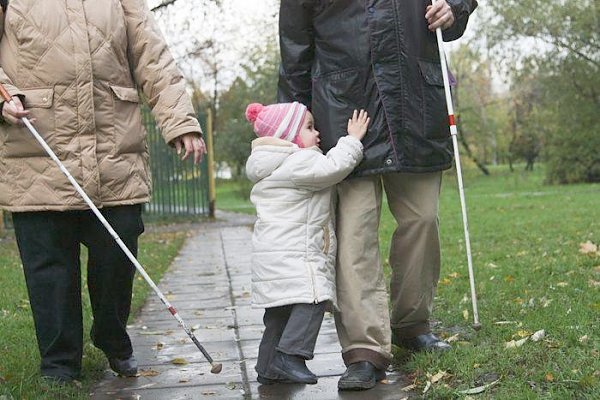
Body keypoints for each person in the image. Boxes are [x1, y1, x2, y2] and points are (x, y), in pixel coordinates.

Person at [0, 0, 205, 383]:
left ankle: (110, 333)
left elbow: (152, 55)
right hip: (38, 152)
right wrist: (3, 97)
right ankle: (60, 364)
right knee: (50, 267)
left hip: (113, 150)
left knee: (119, 248)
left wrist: (180, 122)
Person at [278, 0, 478, 391]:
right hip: (344, 113)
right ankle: (364, 350)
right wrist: (294, 124)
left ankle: (412, 324)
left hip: (414, 103)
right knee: (354, 236)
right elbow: (295, 50)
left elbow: (456, 10)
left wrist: (456, 7)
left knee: (422, 219)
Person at [245, 102, 368, 384]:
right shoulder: (298, 161)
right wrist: (352, 140)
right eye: (310, 128)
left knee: (279, 312)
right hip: (296, 254)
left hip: (272, 255)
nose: (317, 134)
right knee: (314, 298)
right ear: (289, 137)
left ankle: (267, 366)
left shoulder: (269, 166)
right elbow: (333, 167)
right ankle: (291, 356)